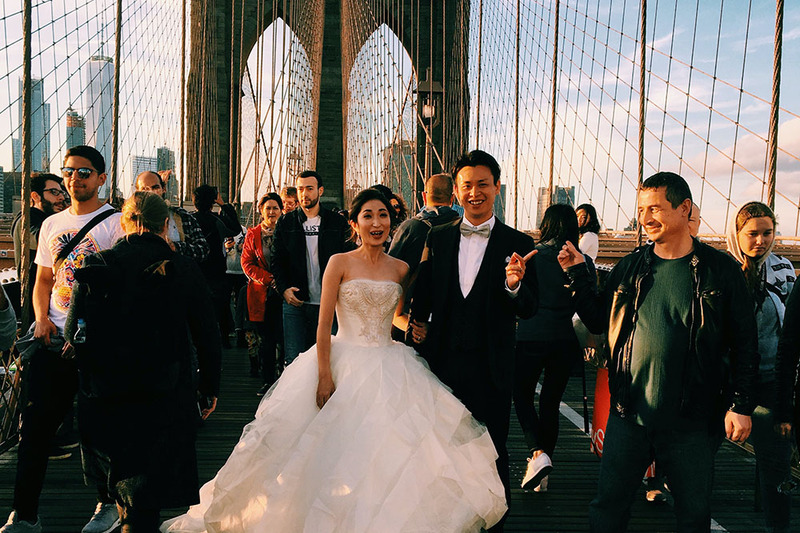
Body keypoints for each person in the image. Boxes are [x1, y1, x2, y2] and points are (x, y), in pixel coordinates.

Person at [161, 188, 507, 533]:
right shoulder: (339, 263)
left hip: (390, 364)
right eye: (368, 216)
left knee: (386, 453)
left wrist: (415, 330)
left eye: (383, 215)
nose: (377, 222)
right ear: (355, 223)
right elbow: (324, 325)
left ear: (391, 221)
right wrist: (324, 375)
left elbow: (397, 317)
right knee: (324, 453)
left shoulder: (401, 269)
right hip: (343, 361)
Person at [557, 171, 759, 532]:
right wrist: (576, 274)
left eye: (655, 208)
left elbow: (745, 342)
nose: (645, 218)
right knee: (607, 509)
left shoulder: (721, 271)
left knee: (693, 515)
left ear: (684, 209)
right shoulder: (630, 266)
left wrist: (741, 405)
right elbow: (600, 320)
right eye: (641, 209)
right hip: (628, 414)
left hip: (693, 419)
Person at [62, 192, 221, 533]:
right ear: (166, 224)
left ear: (124, 222)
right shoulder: (183, 268)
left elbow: (72, 330)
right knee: (150, 487)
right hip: (164, 390)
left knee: (124, 480)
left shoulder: (97, 264)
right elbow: (208, 334)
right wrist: (209, 388)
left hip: (107, 393)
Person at [408, 150, 538, 532]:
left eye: (483, 184)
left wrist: (514, 285)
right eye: (467, 186)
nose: (474, 193)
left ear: (497, 187)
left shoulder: (518, 241)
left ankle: (494, 522)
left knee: (492, 450)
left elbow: (530, 307)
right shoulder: (440, 235)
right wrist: (416, 324)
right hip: (441, 364)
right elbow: (426, 293)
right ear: (456, 192)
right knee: (442, 451)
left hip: (492, 367)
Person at [1, 146, 127, 533]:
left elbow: (125, 289)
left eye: (85, 172)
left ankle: (107, 505)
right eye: (69, 171)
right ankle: (24, 515)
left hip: (96, 343)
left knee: (99, 430)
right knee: (34, 429)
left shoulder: (119, 224)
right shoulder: (54, 224)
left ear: (102, 179)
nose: (75, 179)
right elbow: (42, 281)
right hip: (52, 339)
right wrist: (41, 319)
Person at [515, 204, 595, 493]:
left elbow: (520, 298)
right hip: (564, 340)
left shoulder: (533, 257)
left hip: (530, 337)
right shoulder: (581, 259)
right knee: (550, 402)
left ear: (545, 224)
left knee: (521, 394)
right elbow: (588, 300)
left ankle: (537, 452)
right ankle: (543, 473)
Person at [726, 201, 795, 533]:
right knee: (694, 458)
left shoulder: (784, 269)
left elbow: (793, 330)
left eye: (768, 233)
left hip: (772, 380)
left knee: (776, 468)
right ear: (736, 234)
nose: (761, 241)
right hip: (726, 383)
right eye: (752, 233)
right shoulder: (722, 271)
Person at [271, 171, 353, 366]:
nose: (304, 194)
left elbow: (348, 258)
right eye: (300, 189)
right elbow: (277, 260)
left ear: (320, 191)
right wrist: (283, 289)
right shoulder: (286, 222)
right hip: (296, 301)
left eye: (309, 188)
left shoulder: (337, 222)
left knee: (332, 360)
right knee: (293, 361)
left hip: (331, 303)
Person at [387, 173, 459, 339]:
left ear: (424, 197)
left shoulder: (409, 227)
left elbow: (389, 270)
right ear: (453, 198)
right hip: (449, 321)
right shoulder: (461, 228)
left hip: (409, 319)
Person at [241, 192, 284, 395]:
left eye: (276, 207)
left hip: (286, 294)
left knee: (285, 340)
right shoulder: (253, 234)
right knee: (267, 341)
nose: (272, 211)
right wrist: (271, 280)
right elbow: (247, 264)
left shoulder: (287, 231)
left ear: (281, 210)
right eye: (268, 208)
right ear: (261, 211)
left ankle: (287, 382)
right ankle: (268, 382)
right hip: (263, 295)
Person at [12, 173, 67, 324]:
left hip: (51, 303)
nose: (61, 197)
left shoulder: (48, 220)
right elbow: (41, 240)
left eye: (62, 192)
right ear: (35, 196)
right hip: (36, 308)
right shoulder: (26, 220)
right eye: (54, 192)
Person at [192, 185, 242, 346]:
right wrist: (224, 205)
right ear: (213, 201)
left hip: (196, 270)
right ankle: (224, 339)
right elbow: (235, 229)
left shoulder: (189, 219)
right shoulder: (217, 220)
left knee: (198, 308)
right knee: (221, 306)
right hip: (217, 271)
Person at [135, 171, 210, 262]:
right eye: (145, 189)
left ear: (164, 189)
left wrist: (176, 247)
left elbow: (203, 250)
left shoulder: (183, 216)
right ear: (138, 192)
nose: (151, 192)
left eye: (155, 187)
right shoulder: (131, 218)